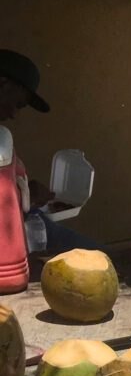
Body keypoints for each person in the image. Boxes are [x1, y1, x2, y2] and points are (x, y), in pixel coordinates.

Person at [0, 48, 103, 254]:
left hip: (24, 225)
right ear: (2, 83)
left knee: (100, 256)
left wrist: (24, 191)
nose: (13, 114)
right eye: (17, 104)